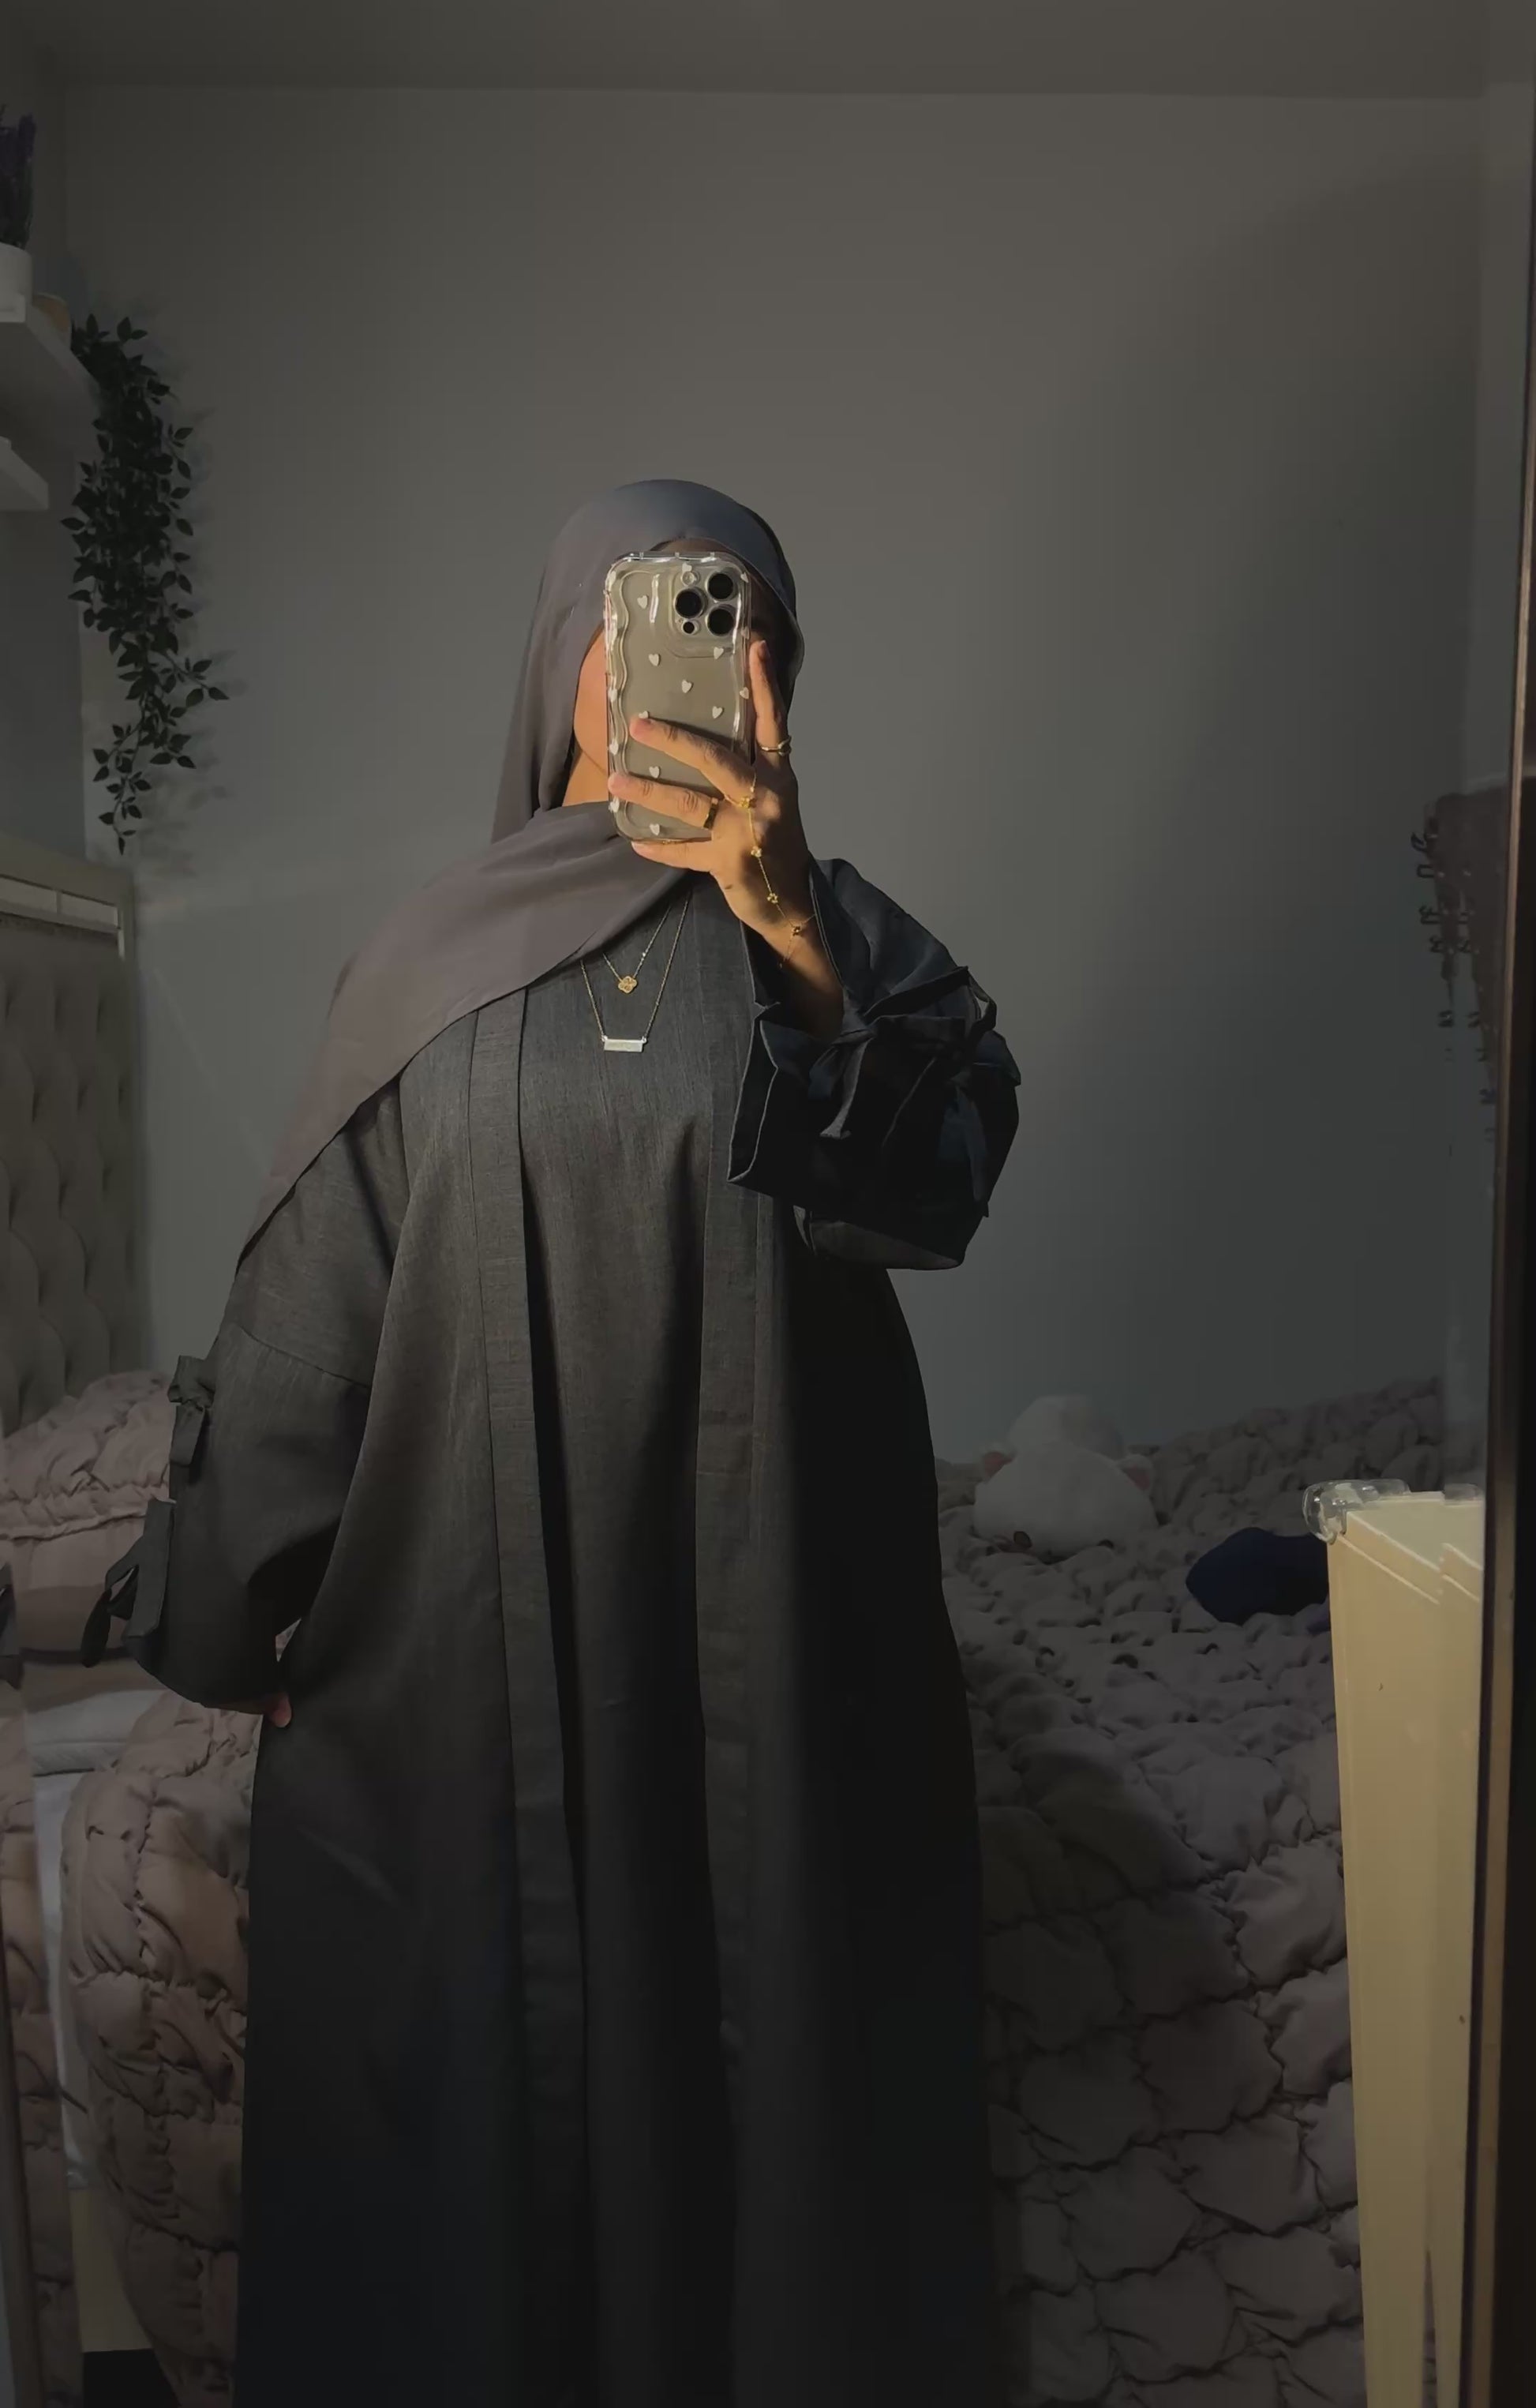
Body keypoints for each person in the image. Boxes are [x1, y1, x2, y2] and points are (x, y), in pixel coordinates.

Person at [88, 480, 1020, 2408]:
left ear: (776, 681)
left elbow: (936, 1187)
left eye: (738, 620)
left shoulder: (829, 935)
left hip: (775, 1664)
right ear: (563, 667)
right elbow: (311, 1336)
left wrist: (789, 922)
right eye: (650, 613)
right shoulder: (431, 971)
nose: (693, 656)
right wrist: (241, 1613)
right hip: (493, 1676)